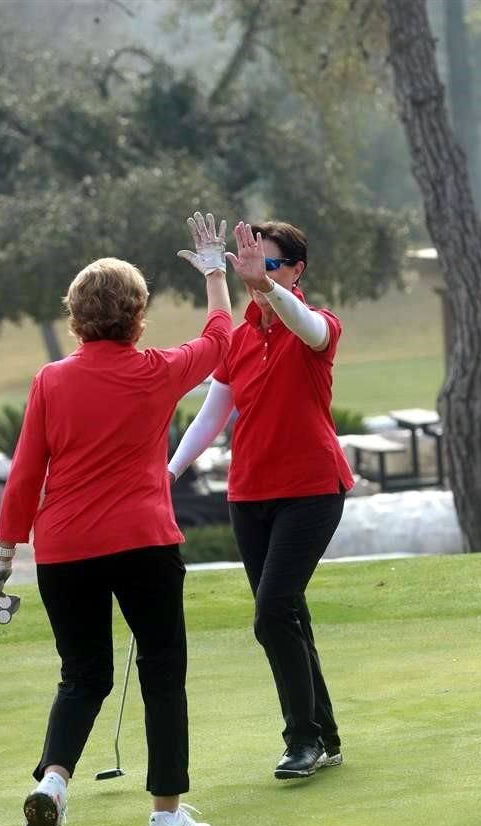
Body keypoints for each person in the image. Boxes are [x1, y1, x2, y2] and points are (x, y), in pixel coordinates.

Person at [0, 211, 235, 826]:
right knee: (161, 673)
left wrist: (3, 553)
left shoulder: (51, 380)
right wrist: (214, 273)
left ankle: (55, 785)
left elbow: (24, 475)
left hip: (64, 550)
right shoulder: (155, 370)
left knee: (83, 674)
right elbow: (220, 340)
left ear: (75, 317)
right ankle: (166, 818)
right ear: (137, 313)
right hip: (143, 542)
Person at [169, 220, 355, 780]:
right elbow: (213, 414)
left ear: (296, 270)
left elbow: (311, 328)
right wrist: (168, 471)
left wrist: (267, 287)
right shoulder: (240, 337)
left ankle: (300, 739)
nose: (257, 272)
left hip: (313, 490)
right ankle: (325, 735)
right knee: (289, 613)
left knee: (271, 613)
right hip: (249, 495)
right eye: (251, 262)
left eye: (271, 263)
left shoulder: (316, 326)